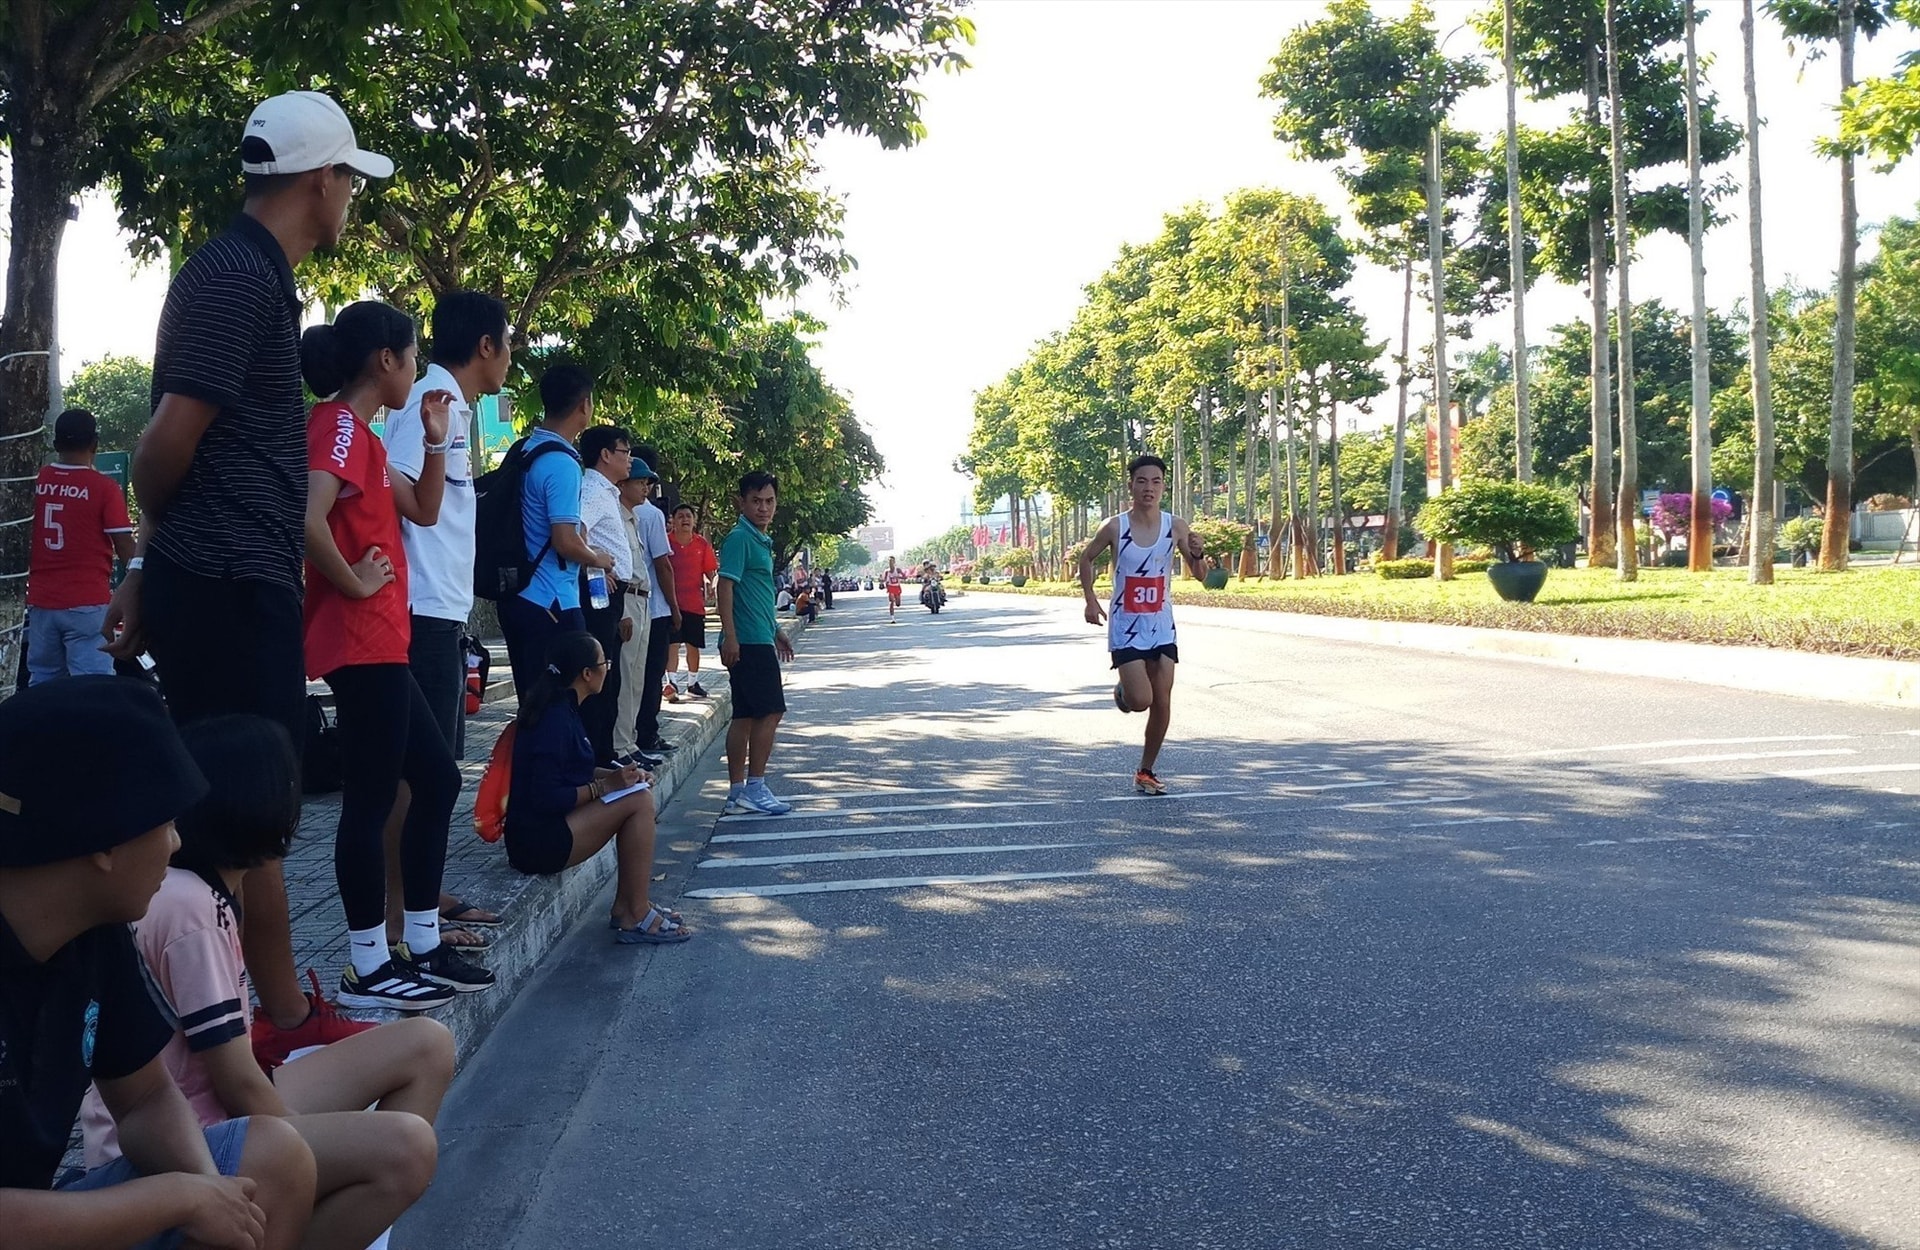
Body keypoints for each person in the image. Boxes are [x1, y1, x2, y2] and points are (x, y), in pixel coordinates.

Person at [103, 88, 394, 1072]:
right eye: (349, 178)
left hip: (227, 574)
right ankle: (275, 1017)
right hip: (226, 580)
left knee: (241, 804)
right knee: (250, 805)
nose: (352, 195)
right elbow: (164, 445)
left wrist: (155, 562)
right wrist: (163, 556)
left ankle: (254, 1007)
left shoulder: (253, 273)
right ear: (321, 180)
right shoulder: (237, 277)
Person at [78, 714, 448, 1250]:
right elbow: (235, 1084)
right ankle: (317, 1217)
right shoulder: (190, 909)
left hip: (213, 1106)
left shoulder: (209, 891)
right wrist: (310, 1156)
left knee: (426, 1043)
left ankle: (346, 1226)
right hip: (185, 1141)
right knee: (407, 1148)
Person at [0, 676, 319, 1250]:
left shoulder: (94, 934)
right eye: (166, 821)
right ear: (103, 841)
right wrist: (177, 1199)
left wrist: (208, 1192)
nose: (176, 844)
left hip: (39, 1209)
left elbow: (145, 1098)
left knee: (274, 1159)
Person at [300, 301, 493, 1007]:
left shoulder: (372, 440)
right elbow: (307, 517)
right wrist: (353, 581)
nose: (416, 369)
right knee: (374, 797)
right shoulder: (339, 428)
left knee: (436, 781)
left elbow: (425, 511)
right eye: (411, 357)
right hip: (360, 642)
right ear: (386, 360)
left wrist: (438, 441)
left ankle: (418, 943)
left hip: (388, 640)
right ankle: (366, 966)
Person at [378, 291, 513, 948]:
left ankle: (422, 894)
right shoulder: (430, 402)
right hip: (419, 609)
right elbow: (396, 493)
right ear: (485, 346)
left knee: (434, 770)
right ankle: (403, 917)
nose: (511, 356)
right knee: (418, 773)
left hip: (441, 611)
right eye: (508, 342)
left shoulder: (449, 405)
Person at [506, 632, 691, 944]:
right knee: (640, 803)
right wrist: (605, 787)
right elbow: (547, 796)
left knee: (637, 794)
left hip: (547, 829)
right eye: (604, 662)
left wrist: (622, 777)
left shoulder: (563, 708)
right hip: (538, 843)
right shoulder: (555, 719)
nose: (609, 667)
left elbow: (574, 769)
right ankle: (633, 913)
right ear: (587, 674)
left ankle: (629, 906)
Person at [1079, 453, 1206, 797]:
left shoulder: (1176, 526)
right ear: (1131, 485)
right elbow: (1086, 558)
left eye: (1156, 481)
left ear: (1164, 486)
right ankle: (1123, 691)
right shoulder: (1115, 526)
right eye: (1142, 481)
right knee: (1141, 701)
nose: (1149, 488)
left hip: (1162, 625)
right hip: (1126, 624)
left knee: (1163, 700)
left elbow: (1202, 576)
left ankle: (1146, 771)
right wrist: (1091, 599)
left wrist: (1197, 553)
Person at [497, 365, 611, 701]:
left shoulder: (526, 450)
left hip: (519, 596)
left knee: (533, 704)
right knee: (561, 704)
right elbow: (564, 540)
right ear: (584, 406)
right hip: (551, 602)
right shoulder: (562, 464)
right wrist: (598, 558)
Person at [26, 408, 135, 683]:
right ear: (94, 444)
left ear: (55, 445)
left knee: (43, 682)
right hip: (88, 603)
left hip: (41, 604)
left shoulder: (34, 484)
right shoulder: (103, 488)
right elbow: (124, 545)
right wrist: (139, 587)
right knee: (94, 685)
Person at [718, 471, 798, 816]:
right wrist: (731, 636)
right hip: (747, 641)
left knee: (746, 715)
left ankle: (738, 792)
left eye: (769, 501)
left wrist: (776, 628)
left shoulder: (759, 539)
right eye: (756, 501)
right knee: (771, 711)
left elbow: (758, 594)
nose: (763, 508)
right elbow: (725, 587)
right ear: (742, 502)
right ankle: (755, 786)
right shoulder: (740, 538)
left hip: (759, 635)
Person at [576, 424, 634, 765]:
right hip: (599, 592)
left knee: (611, 673)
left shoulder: (607, 491)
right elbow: (576, 532)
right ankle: (598, 754)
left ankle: (605, 750)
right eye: (624, 452)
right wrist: (595, 567)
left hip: (613, 594)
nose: (629, 460)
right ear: (606, 455)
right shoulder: (593, 490)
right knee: (601, 674)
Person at [630, 446, 682, 758]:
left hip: (636, 606)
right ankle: (647, 732)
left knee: (635, 676)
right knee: (650, 675)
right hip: (655, 607)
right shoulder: (650, 513)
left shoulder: (624, 509)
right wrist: (676, 608)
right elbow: (663, 565)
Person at [611, 460, 663, 768]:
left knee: (637, 678)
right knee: (626, 675)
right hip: (626, 599)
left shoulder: (633, 518)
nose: (646, 488)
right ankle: (620, 746)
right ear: (623, 485)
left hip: (642, 600)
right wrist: (620, 613)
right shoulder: (613, 515)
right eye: (640, 482)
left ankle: (629, 742)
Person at [663, 503, 717, 699]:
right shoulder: (665, 542)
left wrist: (713, 584)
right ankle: (672, 683)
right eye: (680, 516)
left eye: (688, 516)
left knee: (694, 645)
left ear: (694, 521)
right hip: (670, 604)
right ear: (673, 521)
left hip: (694, 603)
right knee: (673, 644)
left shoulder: (702, 544)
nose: (685, 519)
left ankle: (692, 683)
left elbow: (710, 570)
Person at [882, 555, 905, 622]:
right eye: (889, 561)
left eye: (892, 561)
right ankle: (892, 618)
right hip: (890, 587)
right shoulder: (887, 571)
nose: (891, 563)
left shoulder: (897, 570)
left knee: (898, 604)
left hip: (897, 587)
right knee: (891, 602)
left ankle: (896, 599)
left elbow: (905, 577)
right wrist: (883, 583)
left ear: (894, 562)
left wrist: (898, 577)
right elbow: (884, 579)